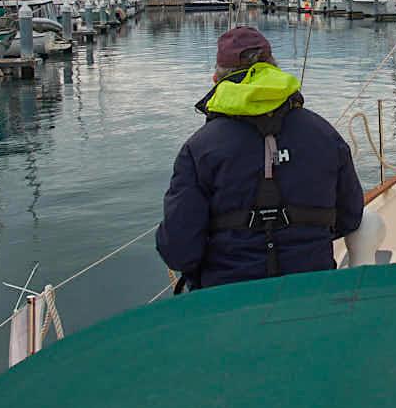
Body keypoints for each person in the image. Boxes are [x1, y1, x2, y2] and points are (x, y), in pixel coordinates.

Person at [156, 26, 364, 291]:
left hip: (226, 306)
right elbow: (350, 217)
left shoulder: (198, 150)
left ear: (216, 81)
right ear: (274, 69)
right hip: (314, 295)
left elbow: (179, 250)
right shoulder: (325, 135)